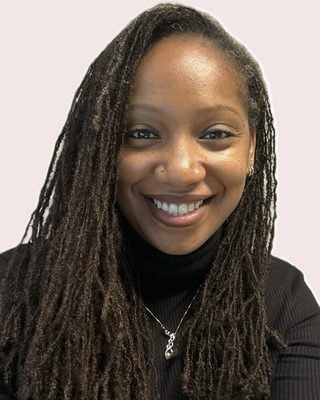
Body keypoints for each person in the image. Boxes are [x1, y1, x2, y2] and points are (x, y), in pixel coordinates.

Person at [0, 3, 319, 399]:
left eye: (216, 134)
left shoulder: (284, 301)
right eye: (142, 133)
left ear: (252, 149)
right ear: (102, 147)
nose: (183, 170)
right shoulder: (13, 293)